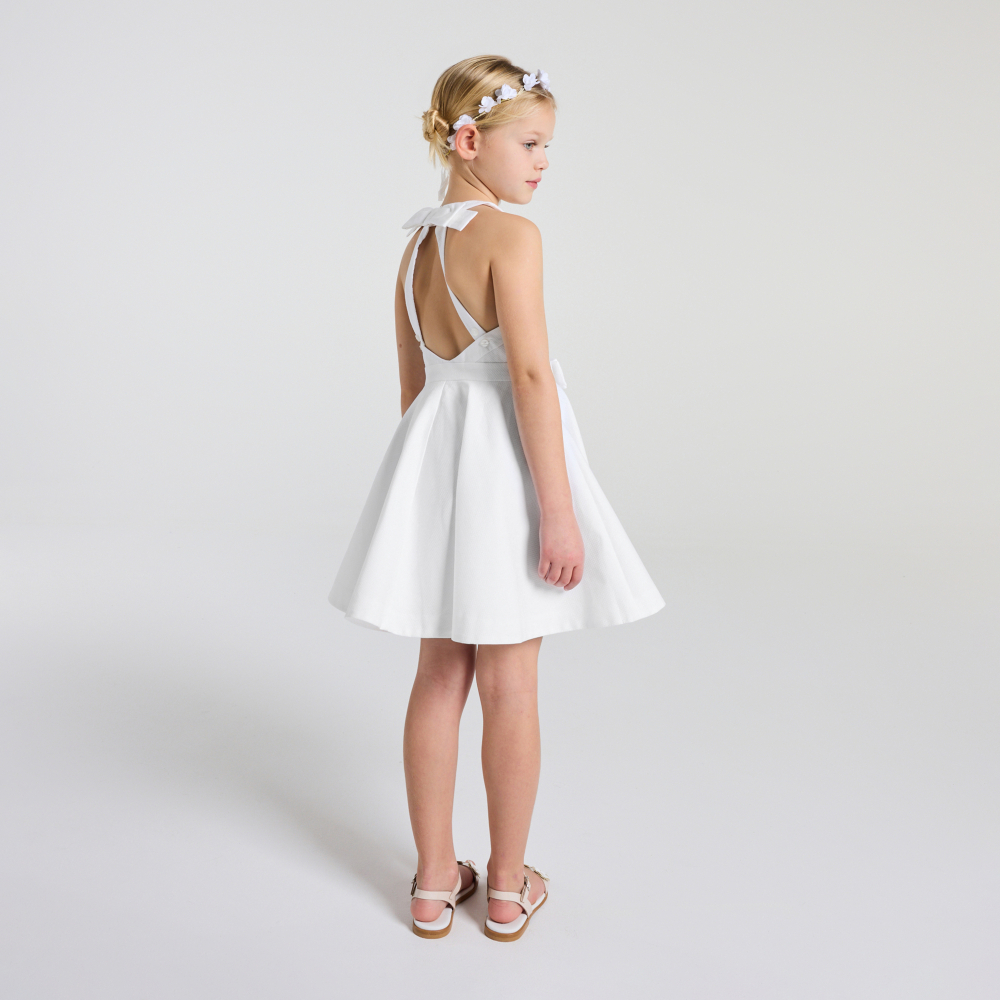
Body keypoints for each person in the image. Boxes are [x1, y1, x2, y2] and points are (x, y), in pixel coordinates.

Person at [329, 55, 664, 941]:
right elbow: (528, 376)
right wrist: (558, 510)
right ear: (471, 142)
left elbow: (412, 389)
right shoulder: (513, 237)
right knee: (510, 682)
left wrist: (427, 501)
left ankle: (435, 880)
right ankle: (508, 887)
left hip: (440, 472)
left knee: (440, 674)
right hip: (508, 472)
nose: (544, 162)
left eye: (548, 146)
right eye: (531, 144)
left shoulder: (415, 247)